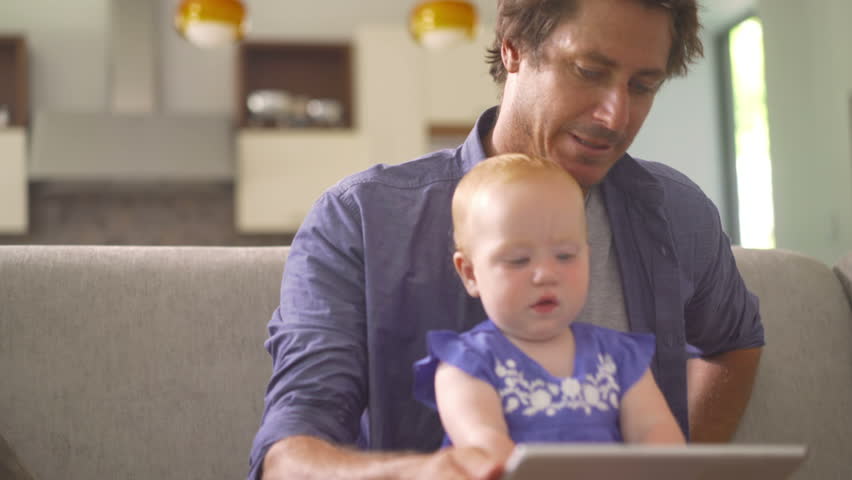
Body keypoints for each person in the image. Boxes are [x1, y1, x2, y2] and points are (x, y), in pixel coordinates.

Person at [249, 0, 765, 479]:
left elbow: (736, 342)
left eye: (642, 86)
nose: (616, 116)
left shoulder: (679, 214)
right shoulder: (360, 220)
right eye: (590, 71)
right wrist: (422, 473)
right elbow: (288, 455)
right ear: (514, 46)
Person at [412, 154, 685, 463]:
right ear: (471, 274)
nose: (546, 274)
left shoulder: (620, 356)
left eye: (566, 256)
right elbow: (488, 451)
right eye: (518, 260)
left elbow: (658, 437)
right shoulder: (465, 364)